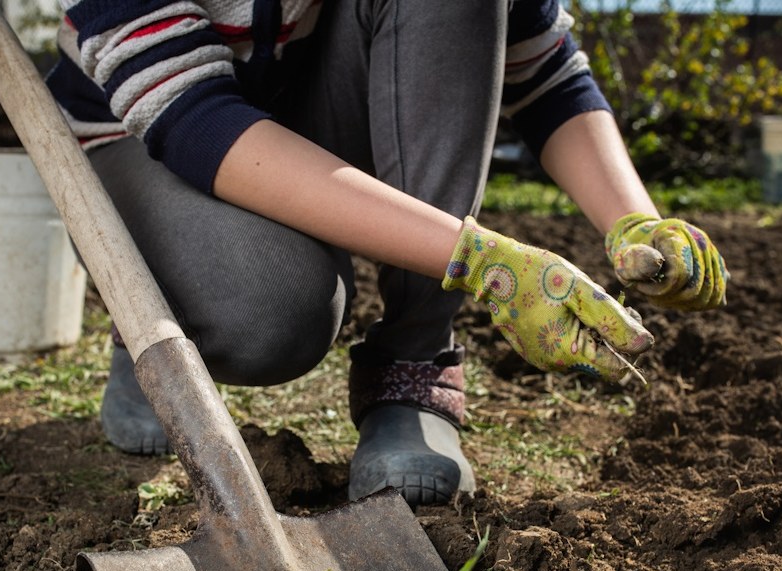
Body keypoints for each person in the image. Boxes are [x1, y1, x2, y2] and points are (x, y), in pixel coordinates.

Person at [46, 0, 728, 507]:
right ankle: (154, 320)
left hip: (296, 112)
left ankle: (414, 367)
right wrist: (481, 261)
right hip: (140, 139)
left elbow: (545, 73)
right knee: (277, 304)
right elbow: (191, 117)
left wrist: (634, 223)